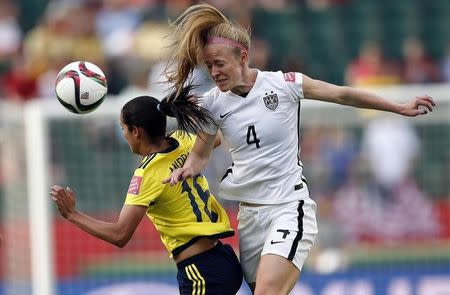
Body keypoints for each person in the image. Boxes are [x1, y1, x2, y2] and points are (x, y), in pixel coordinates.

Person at [161, 3, 436, 294]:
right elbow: (199, 157)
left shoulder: (284, 84)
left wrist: (398, 107)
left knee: (268, 291)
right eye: (209, 66)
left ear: (242, 56)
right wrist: (183, 170)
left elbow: (342, 94)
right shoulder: (213, 103)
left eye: (219, 64)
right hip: (250, 216)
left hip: (288, 208)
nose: (214, 72)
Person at [50, 86, 243, 295]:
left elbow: (120, 234)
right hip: (222, 258)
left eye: (123, 128)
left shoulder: (147, 174)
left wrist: (72, 214)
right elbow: (216, 138)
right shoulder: (182, 139)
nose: (123, 135)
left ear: (136, 131)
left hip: (200, 272)